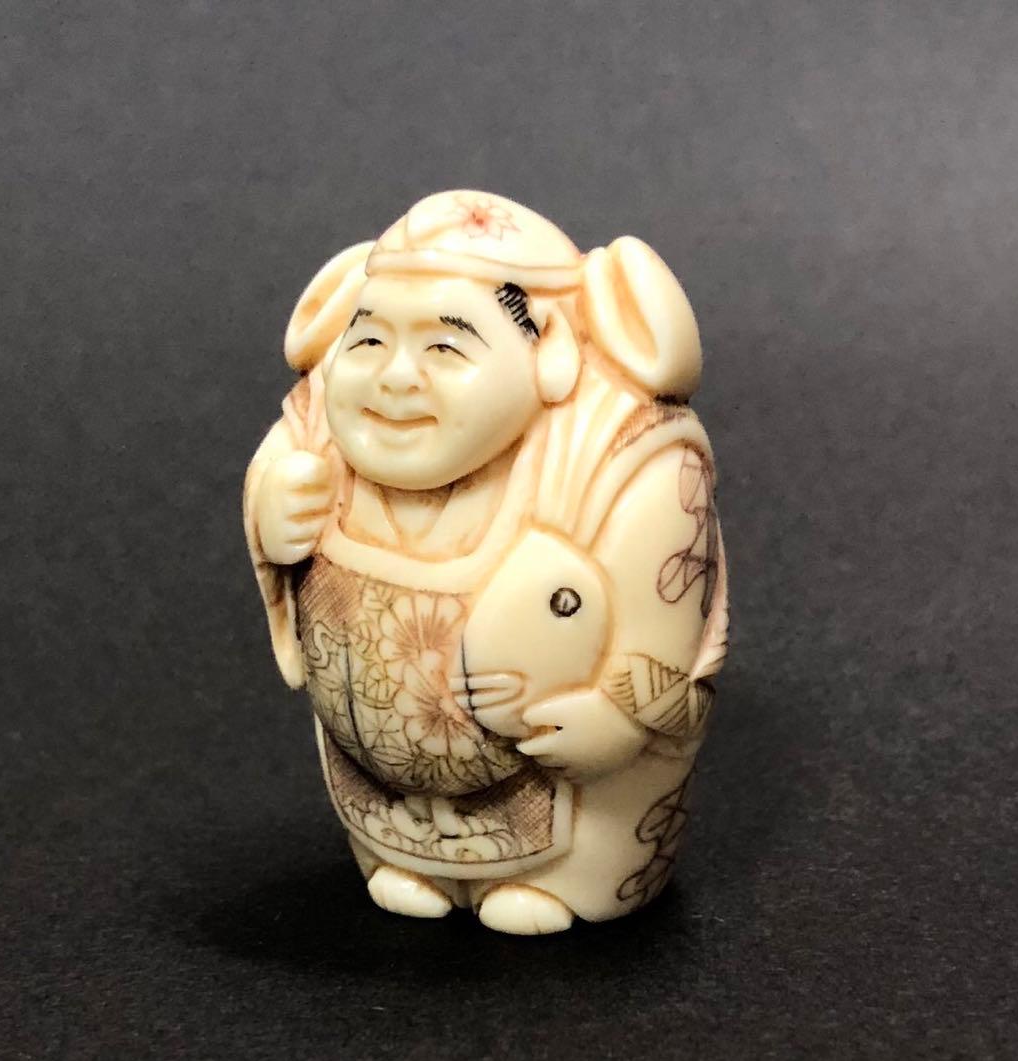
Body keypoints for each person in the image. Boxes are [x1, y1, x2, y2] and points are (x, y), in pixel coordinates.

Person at [243, 191, 727, 934]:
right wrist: (274, 515)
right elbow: (271, 496)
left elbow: (665, 610)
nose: (396, 377)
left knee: (592, 840)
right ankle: (410, 861)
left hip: (564, 777)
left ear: (550, 346)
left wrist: (619, 719)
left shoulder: (614, 455)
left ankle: (569, 882)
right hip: (378, 774)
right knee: (395, 850)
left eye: (444, 347)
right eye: (369, 342)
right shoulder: (317, 434)